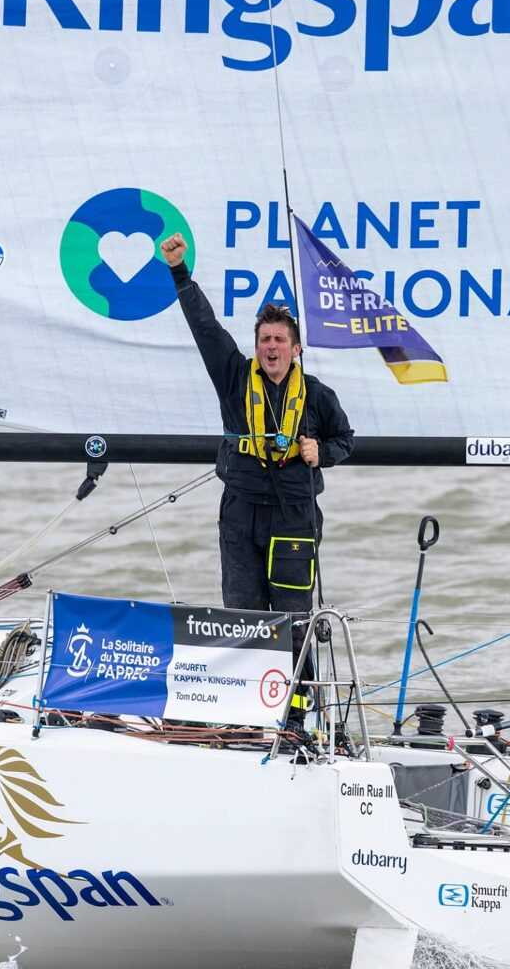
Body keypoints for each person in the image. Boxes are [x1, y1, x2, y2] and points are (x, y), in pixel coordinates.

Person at [160, 232, 354, 730]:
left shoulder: (317, 395)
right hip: (240, 514)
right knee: (244, 621)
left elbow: (345, 439)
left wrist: (322, 452)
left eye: (279, 340)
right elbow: (206, 329)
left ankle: (299, 722)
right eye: (264, 340)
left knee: (292, 626)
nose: (271, 347)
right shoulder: (234, 379)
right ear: (256, 347)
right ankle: (247, 719)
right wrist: (180, 273)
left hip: (295, 519)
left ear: (296, 348)